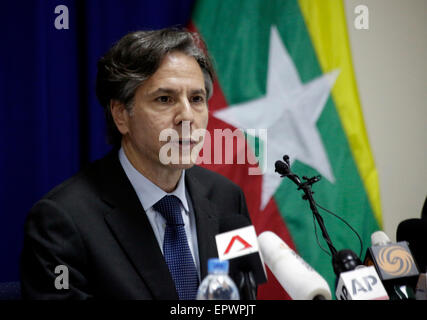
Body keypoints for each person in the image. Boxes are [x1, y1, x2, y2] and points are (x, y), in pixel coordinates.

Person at [20, 28, 252, 299]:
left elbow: (245, 297)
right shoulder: (61, 222)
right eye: (164, 99)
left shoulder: (227, 199)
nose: (187, 117)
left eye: (197, 99)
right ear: (121, 115)